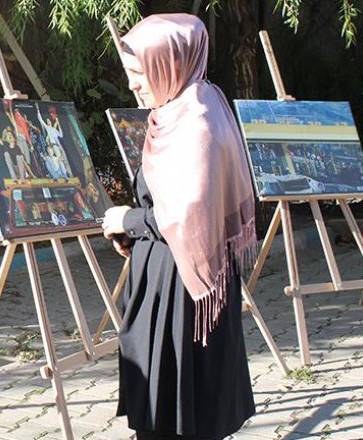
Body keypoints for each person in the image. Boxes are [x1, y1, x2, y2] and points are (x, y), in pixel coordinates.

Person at [100, 14, 257, 440]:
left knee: (174, 405)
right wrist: (137, 235)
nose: (132, 84)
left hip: (181, 288)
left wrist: (127, 220)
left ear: (169, 63)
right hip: (178, 272)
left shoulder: (195, 122)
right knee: (178, 401)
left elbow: (188, 215)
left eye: (139, 72)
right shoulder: (192, 106)